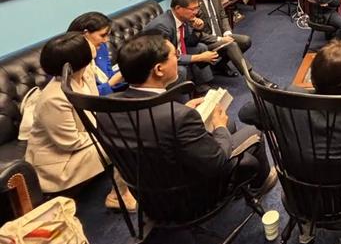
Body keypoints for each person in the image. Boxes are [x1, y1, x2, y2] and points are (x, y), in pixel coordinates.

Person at [99, 33, 277, 210]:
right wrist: (220, 126)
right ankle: (259, 185)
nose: (178, 59)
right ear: (159, 69)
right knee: (253, 134)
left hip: (148, 198)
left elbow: (151, 132)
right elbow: (216, 160)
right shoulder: (178, 116)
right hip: (188, 198)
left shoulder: (105, 111)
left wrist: (185, 112)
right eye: (175, 55)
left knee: (229, 126)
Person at [238, 40, 341, 182]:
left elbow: (245, 114)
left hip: (297, 184)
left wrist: (278, 124)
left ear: (313, 76)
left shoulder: (288, 98)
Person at [24, 32, 135, 210]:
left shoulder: (86, 73)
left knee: (130, 126)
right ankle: (118, 195)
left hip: (84, 140)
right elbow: (70, 142)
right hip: (59, 163)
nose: (97, 43)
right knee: (124, 141)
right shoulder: (54, 98)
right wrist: (109, 133)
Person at [191, 0, 276, 88]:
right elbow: (195, 33)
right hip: (207, 41)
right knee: (231, 45)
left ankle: (220, 65)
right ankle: (255, 78)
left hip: (221, 36)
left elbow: (223, 16)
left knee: (245, 41)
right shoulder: (192, 1)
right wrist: (220, 39)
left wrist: (227, 33)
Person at [143, 0, 218, 93]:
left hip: (176, 50)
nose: (196, 12)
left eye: (197, 8)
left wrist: (197, 29)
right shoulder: (162, 26)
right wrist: (200, 57)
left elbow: (189, 43)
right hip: (157, 62)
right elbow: (165, 57)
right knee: (180, 70)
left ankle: (202, 86)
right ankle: (183, 98)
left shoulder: (183, 19)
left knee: (201, 47)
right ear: (178, 8)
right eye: (192, 9)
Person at [67, 12, 126, 96]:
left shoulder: (101, 47)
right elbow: (83, 95)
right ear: (85, 34)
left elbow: (109, 74)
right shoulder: (71, 59)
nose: (106, 40)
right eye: (103, 35)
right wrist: (111, 83)